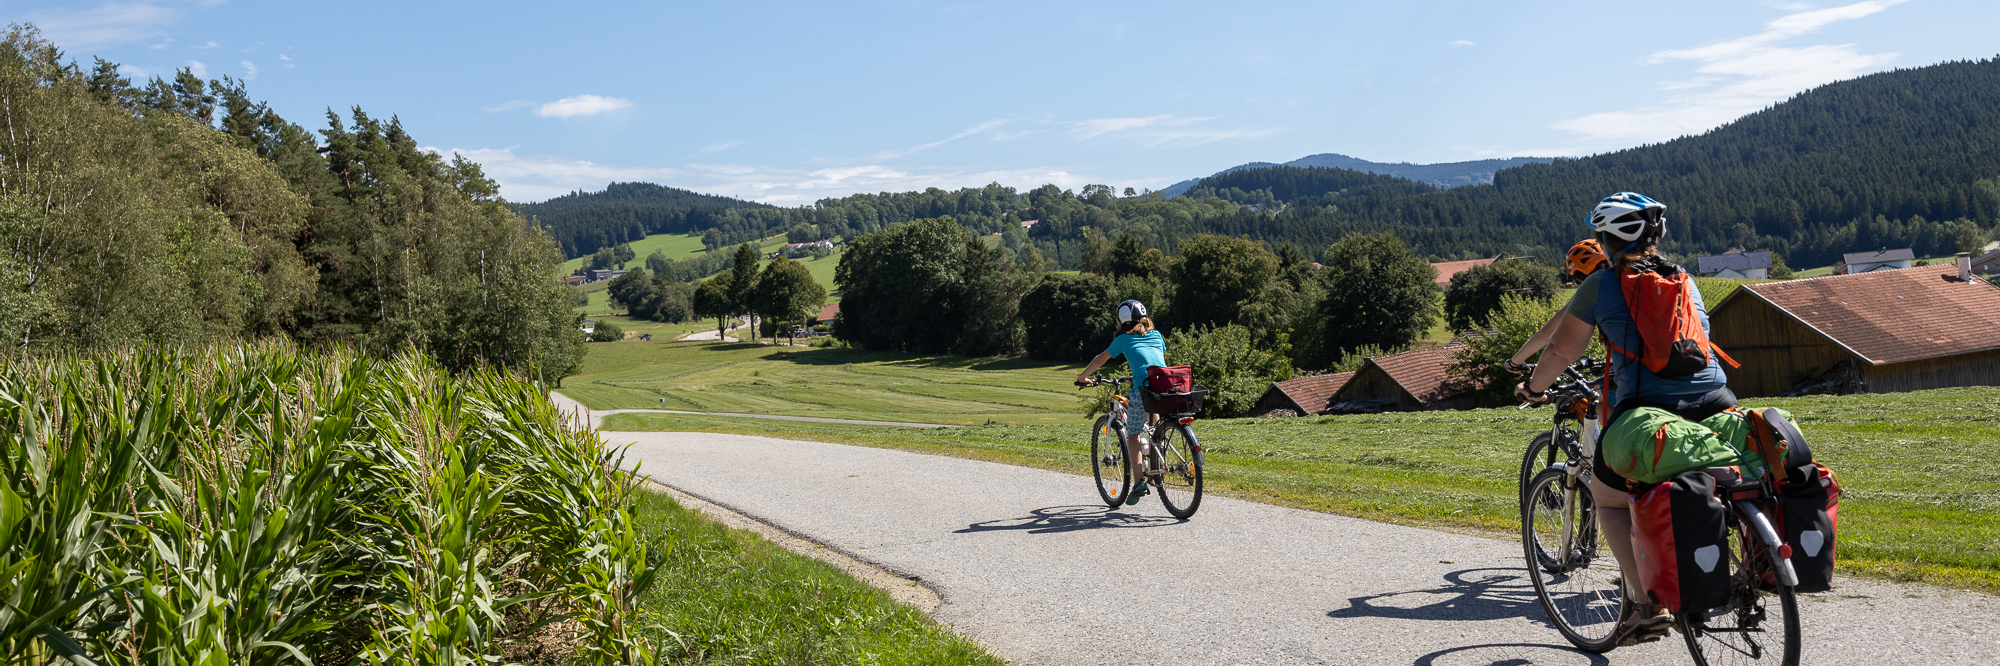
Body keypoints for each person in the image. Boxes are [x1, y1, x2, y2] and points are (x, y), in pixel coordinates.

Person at [1514, 192, 1735, 644]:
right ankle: (1750, 564)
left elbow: (1561, 349)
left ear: (1607, 240)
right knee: (1730, 480)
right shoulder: (1685, 279)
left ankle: (1646, 605)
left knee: (1609, 497)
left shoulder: (1601, 285)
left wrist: (1533, 388)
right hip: (1717, 397)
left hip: (1648, 412)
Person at [1074, 299, 1167, 506]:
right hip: (1164, 387)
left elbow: (1100, 359)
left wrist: (1082, 378)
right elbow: (1152, 358)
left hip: (1142, 390)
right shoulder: (1157, 335)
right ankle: (1156, 461)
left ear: (1122, 320)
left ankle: (1139, 481)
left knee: (1133, 434)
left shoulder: (1124, 339)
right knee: (1156, 426)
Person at [1504, 239, 1608, 373]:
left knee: (1599, 391)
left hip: (1629, 371)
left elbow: (1547, 333)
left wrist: (1514, 362)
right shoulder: (1630, 277)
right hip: (1636, 359)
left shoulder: (1591, 291)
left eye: (1577, 279)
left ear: (1581, 278)